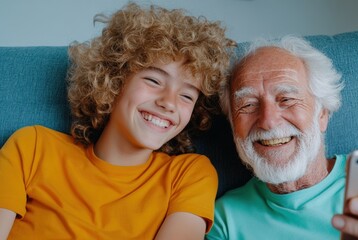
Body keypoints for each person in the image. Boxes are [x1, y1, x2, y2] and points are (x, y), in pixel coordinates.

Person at [0, 2, 235, 239]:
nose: (169, 103)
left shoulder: (189, 174)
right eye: (154, 81)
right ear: (113, 81)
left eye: (186, 95)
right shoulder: (33, 147)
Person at [206, 36, 358, 239]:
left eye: (286, 99)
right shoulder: (223, 221)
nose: (268, 121)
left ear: (322, 114)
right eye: (248, 105)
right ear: (233, 125)